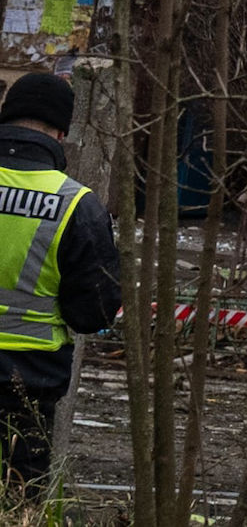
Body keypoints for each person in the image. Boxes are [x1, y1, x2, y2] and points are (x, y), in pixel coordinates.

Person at [0, 69, 116, 518]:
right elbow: (94, 312)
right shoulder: (76, 205)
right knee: (16, 504)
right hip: (27, 384)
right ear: (60, 133)